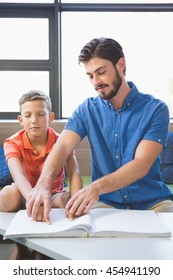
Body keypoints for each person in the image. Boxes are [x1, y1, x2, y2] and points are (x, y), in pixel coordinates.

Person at [26, 37, 173, 222]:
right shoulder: (86, 110)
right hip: (106, 204)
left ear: (121, 64)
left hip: (153, 203)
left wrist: (95, 188)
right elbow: (62, 146)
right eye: (90, 76)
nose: (96, 82)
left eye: (101, 72)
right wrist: (43, 184)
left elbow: (141, 164)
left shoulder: (156, 109)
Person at [0, 90, 83, 258]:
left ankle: (44, 248)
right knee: (7, 195)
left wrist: (77, 201)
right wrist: (34, 201)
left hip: (53, 196)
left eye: (40, 114)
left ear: (51, 117)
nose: (34, 121)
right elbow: (18, 176)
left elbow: (74, 171)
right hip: (24, 194)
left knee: (70, 199)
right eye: (28, 115)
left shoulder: (62, 141)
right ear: (20, 120)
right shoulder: (12, 142)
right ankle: (21, 245)